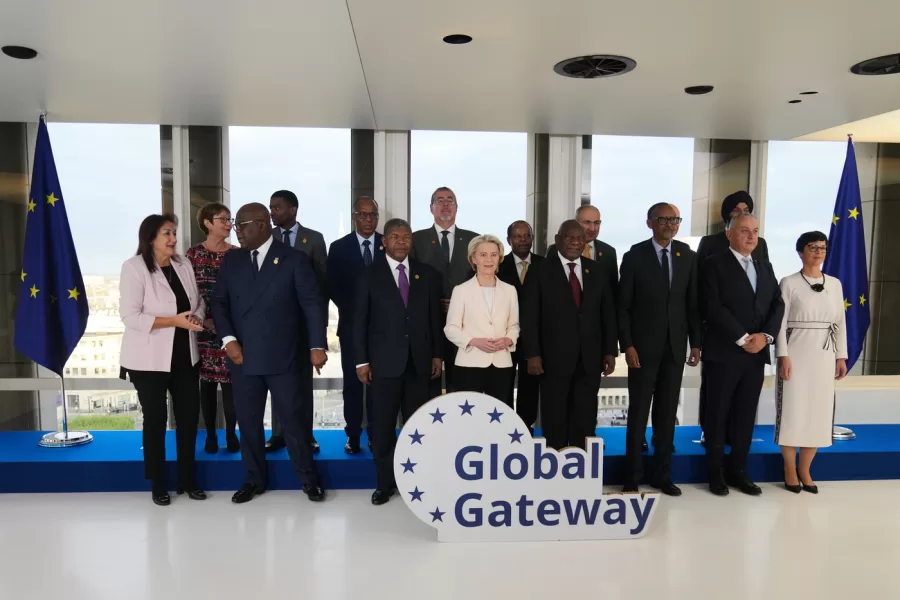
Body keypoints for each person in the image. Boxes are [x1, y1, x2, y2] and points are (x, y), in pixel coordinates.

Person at [212, 202, 328, 504]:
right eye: (235, 225)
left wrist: (317, 345)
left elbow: (312, 304)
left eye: (241, 225)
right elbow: (219, 303)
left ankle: (308, 479)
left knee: (294, 421)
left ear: (262, 225)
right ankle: (253, 480)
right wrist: (228, 340)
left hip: (285, 356)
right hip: (242, 356)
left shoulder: (294, 259)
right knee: (249, 423)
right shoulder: (232, 260)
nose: (236, 231)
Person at [119, 214, 207, 506]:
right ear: (150, 238)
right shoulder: (134, 267)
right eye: (166, 233)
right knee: (155, 421)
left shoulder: (184, 264)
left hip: (185, 358)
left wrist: (197, 317)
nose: (173, 239)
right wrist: (174, 321)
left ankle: (187, 480)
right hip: (148, 362)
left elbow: (198, 302)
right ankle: (158, 483)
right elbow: (130, 317)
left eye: (174, 233)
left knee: (188, 419)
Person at [354, 218, 443, 506]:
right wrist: (361, 361)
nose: (401, 241)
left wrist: (437, 354)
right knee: (382, 428)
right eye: (395, 236)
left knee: (418, 428)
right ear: (384, 242)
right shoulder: (368, 276)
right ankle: (384, 484)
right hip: (383, 365)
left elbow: (434, 319)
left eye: (406, 237)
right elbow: (359, 322)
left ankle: (416, 482)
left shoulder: (427, 275)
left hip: (419, 363)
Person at [619, 203, 702, 496]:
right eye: (664, 219)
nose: (670, 224)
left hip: (675, 348)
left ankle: (662, 476)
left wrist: (696, 343)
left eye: (675, 219)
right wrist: (627, 345)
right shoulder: (634, 256)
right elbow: (623, 306)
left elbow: (692, 303)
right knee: (638, 413)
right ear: (650, 223)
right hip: (641, 350)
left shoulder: (687, 256)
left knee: (667, 416)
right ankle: (632, 476)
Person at [702, 214, 784, 496]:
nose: (751, 236)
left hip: (756, 355)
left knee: (745, 415)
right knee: (717, 414)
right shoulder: (713, 264)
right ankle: (715, 473)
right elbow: (713, 306)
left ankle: (738, 471)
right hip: (724, 353)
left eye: (755, 231)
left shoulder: (765, 266)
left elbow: (777, 305)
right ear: (729, 234)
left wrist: (766, 337)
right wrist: (742, 337)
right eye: (745, 231)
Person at [521, 220, 617, 451]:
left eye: (580, 238)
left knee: (585, 413)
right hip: (552, 359)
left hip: (589, 358)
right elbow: (529, 315)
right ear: (557, 239)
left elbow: (607, 314)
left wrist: (609, 351)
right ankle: (556, 460)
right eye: (569, 237)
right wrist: (532, 354)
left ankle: (581, 459)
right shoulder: (540, 270)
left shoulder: (597, 270)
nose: (575, 242)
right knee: (555, 414)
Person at [775, 232, 848, 494]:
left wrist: (841, 356)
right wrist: (782, 355)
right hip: (796, 351)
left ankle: (805, 469)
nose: (818, 252)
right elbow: (780, 323)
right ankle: (789, 468)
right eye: (812, 247)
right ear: (800, 252)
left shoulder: (835, 284)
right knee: (793, 410)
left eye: (822, 248)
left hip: (824, 355)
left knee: (818, 411)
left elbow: (840, 322)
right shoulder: (789, 283)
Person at [696, 190, 770, 441]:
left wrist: (762, 335)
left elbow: (765, 289)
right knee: (714, 392)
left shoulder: (761, 245)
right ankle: (708, 431)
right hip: (720, 332)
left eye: (746, 210)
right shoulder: (710, 243)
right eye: (736, 210)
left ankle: (736, 441)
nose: (741, 213)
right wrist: (737, 334)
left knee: (745, 399)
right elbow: (705, 291)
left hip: (754, 333)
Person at [267, 189, 326, 454]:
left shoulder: (313, 239)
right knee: (277, 380)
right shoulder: (266, 238)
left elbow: (322, 284)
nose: (272, 212)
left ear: (293, 209)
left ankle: (306, 435)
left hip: (303, 325)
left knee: (303, 382)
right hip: (274, 325)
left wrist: (318, 327)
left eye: (277, 208)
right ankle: (278, 434)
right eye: (271, 207)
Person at [327, 196, 384, 454]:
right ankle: (353, 435)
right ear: (354, 217)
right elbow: (333, 287)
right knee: (352, 384)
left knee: (378, 385)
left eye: (373, 214)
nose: (368, 219)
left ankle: (375, 434)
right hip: (351, 327)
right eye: (363, 214)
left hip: (383, 330)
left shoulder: (387, 243)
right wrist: (359, 311)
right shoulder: (339, 248)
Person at [411, 187, 478, 397]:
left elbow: (480, 280)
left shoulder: (474, 240)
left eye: (450, 200)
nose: (445, 204)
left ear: (457, 207)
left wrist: (459, 302)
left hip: (465, 323)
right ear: (431, 208)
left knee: (461, 386)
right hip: (428, 323)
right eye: (440, 200)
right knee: (429, 386)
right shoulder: (416, 239)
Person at [185, 203, 240, 454]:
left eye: (230, 219)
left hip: (232, 329)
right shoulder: (192, 255)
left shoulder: (238, 254)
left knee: (231, 385)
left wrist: (227, 324)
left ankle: (231, 434)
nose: (229, 224)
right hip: (202, 328)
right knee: (206, 385)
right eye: (223, 219)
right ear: (207, 223)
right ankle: (210, 435)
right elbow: (188, 293)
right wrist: (204, 321)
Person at [444, 235, 520, 406]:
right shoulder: (461, 290)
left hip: (501, 364)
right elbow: (451, 328)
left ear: (500, 258)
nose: (489, 260)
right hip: (469, 364)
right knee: (470, 418)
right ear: (473, 258)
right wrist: (473, 341)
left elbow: (514, 325)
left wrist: (508, 339)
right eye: (483, 255)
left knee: (500, 414)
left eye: (494, 255)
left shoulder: (510, 290)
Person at [497, 220, 543, 433]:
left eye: (527, 236)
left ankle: (525, 428)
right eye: (517, 236)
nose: (523, 240)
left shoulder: (545, 265)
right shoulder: (498, 266)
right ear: (509, 240)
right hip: (504, 337)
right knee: (503, 385)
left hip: (535, 340)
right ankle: (506, 428)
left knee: (530, 387)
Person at [547, 205, 618, 302]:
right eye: (587, 222)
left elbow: (613, 292)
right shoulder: (556, 250)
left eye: (597, 223)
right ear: (576, 223)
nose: (592, 228)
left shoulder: (609, 252)